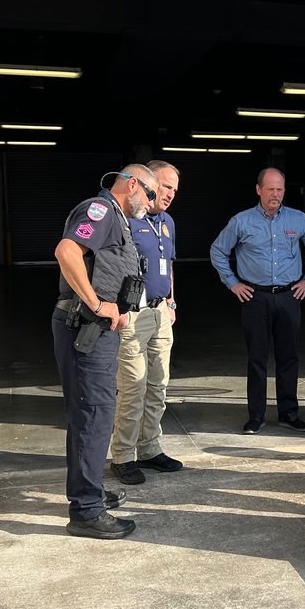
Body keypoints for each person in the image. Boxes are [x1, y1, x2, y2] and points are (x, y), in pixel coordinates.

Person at [51, 163, 159, 539]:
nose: (152, 201)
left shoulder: (115, 218)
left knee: (92, 414)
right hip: (87, 328)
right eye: (149, 193)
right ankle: (86, 511)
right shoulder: (98, 210)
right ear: (131, 185)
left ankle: (90, 491)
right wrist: (97, 304)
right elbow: (67, 252)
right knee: (93, 416)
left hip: (98, 331)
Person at [210, 168, 305, 435]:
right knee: (257, 359)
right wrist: (232, 283)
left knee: (288, 358)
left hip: (289, 297)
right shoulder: (241, 221)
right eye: (271, 188)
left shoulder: (298, 220)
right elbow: (217, 250)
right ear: (258, 189)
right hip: (255, 298)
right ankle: (256, 416)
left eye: (280, 189)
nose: (276, 194)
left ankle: (289, 414)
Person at [110, 160, 183, 485]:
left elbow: (168, 265)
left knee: (158, 386)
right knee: (133, 387)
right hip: (133, 315)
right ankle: (123, 455)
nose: (169, 195)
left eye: (174, 190)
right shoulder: (125, 219)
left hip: (159, 314)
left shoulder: (167, 222)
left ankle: (150, 447)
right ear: (149, 183)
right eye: (165, 187)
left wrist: (170, 301)